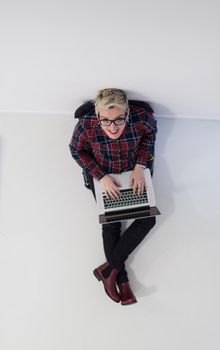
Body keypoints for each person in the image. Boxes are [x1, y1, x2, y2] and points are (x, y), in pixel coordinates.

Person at [69, 88, 157, 305]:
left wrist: (139, 166)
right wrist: (101, 176)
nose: (113, 127)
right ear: (98, 116)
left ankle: (109, 270)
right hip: (104, 179)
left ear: (127, 112)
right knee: (112, 225)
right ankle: (121, 281)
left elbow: (150, 134)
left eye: (119, 119)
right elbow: (75, 150)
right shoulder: (86, 124)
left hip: (132, 174)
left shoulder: (141, 118)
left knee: (148, 218)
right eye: (106, 121)